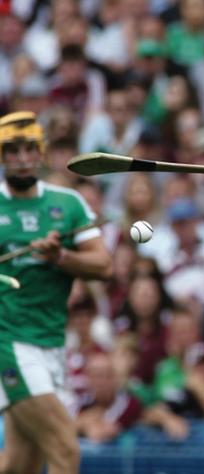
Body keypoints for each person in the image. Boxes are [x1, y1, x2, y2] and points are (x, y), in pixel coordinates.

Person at [0, 111, 113, 474]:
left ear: (41, 152)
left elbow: (103, 265)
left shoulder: (68, 204)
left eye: (28, 148)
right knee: (66, 449)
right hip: (9, 344)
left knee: (21, 465)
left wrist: (60, 256)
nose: (20, 158)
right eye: (11, 150)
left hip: (51, 342)